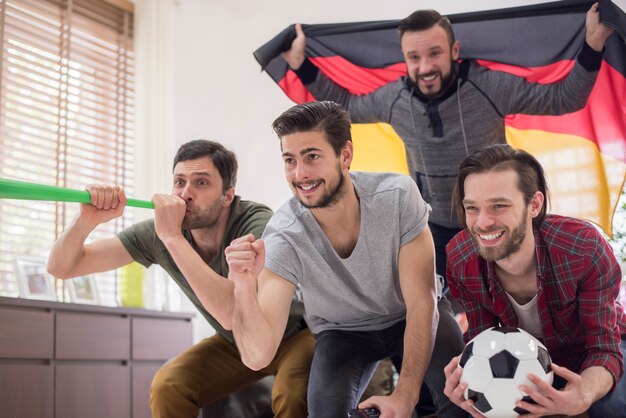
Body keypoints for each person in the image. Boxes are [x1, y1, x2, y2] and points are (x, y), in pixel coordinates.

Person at [281, 4, 614, 280]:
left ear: (454, 51)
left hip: (493, 220)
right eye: (414, 57)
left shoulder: (489, 86)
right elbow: (346, 106)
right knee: (443, 311)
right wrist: (300, 64)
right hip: (432, 227)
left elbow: (563, 99)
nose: (425, 67)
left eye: (435, 53)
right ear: (404, 58)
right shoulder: (394, 99)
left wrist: (592, 44)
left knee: (512, 304)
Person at [225, 101, 466, 418]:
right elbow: (258, 357)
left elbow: (422, 301)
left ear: (345, 155)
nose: (300, 174)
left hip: (412, 311)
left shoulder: (396, 196)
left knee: (463, 401)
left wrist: (405, 395)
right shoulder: (283, 235)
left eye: (312, 156)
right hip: (343, 333)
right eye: (289, 160)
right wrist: (243, 287)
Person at [46, 139, 314, 418]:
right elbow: (62, 267)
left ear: (228, 195)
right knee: (168, 386)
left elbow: (230, 311)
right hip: (234, 341)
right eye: (179, 182)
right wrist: (87, 220)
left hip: (294, 334)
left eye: (201, 183)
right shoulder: (161, 233)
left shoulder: (256, 222)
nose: (185, 194)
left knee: (292, 395)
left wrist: (173, 238)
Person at [443, 144, 626, 417]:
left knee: (611, 407)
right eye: (472, 208)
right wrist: (473, 387)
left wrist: (583, 395)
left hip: (592, 351)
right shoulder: (461, 258)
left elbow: (603, 347)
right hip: (521, 363)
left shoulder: (582, 248)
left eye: (499, 206)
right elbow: (483, 338)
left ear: (534, 205)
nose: (482, 222)